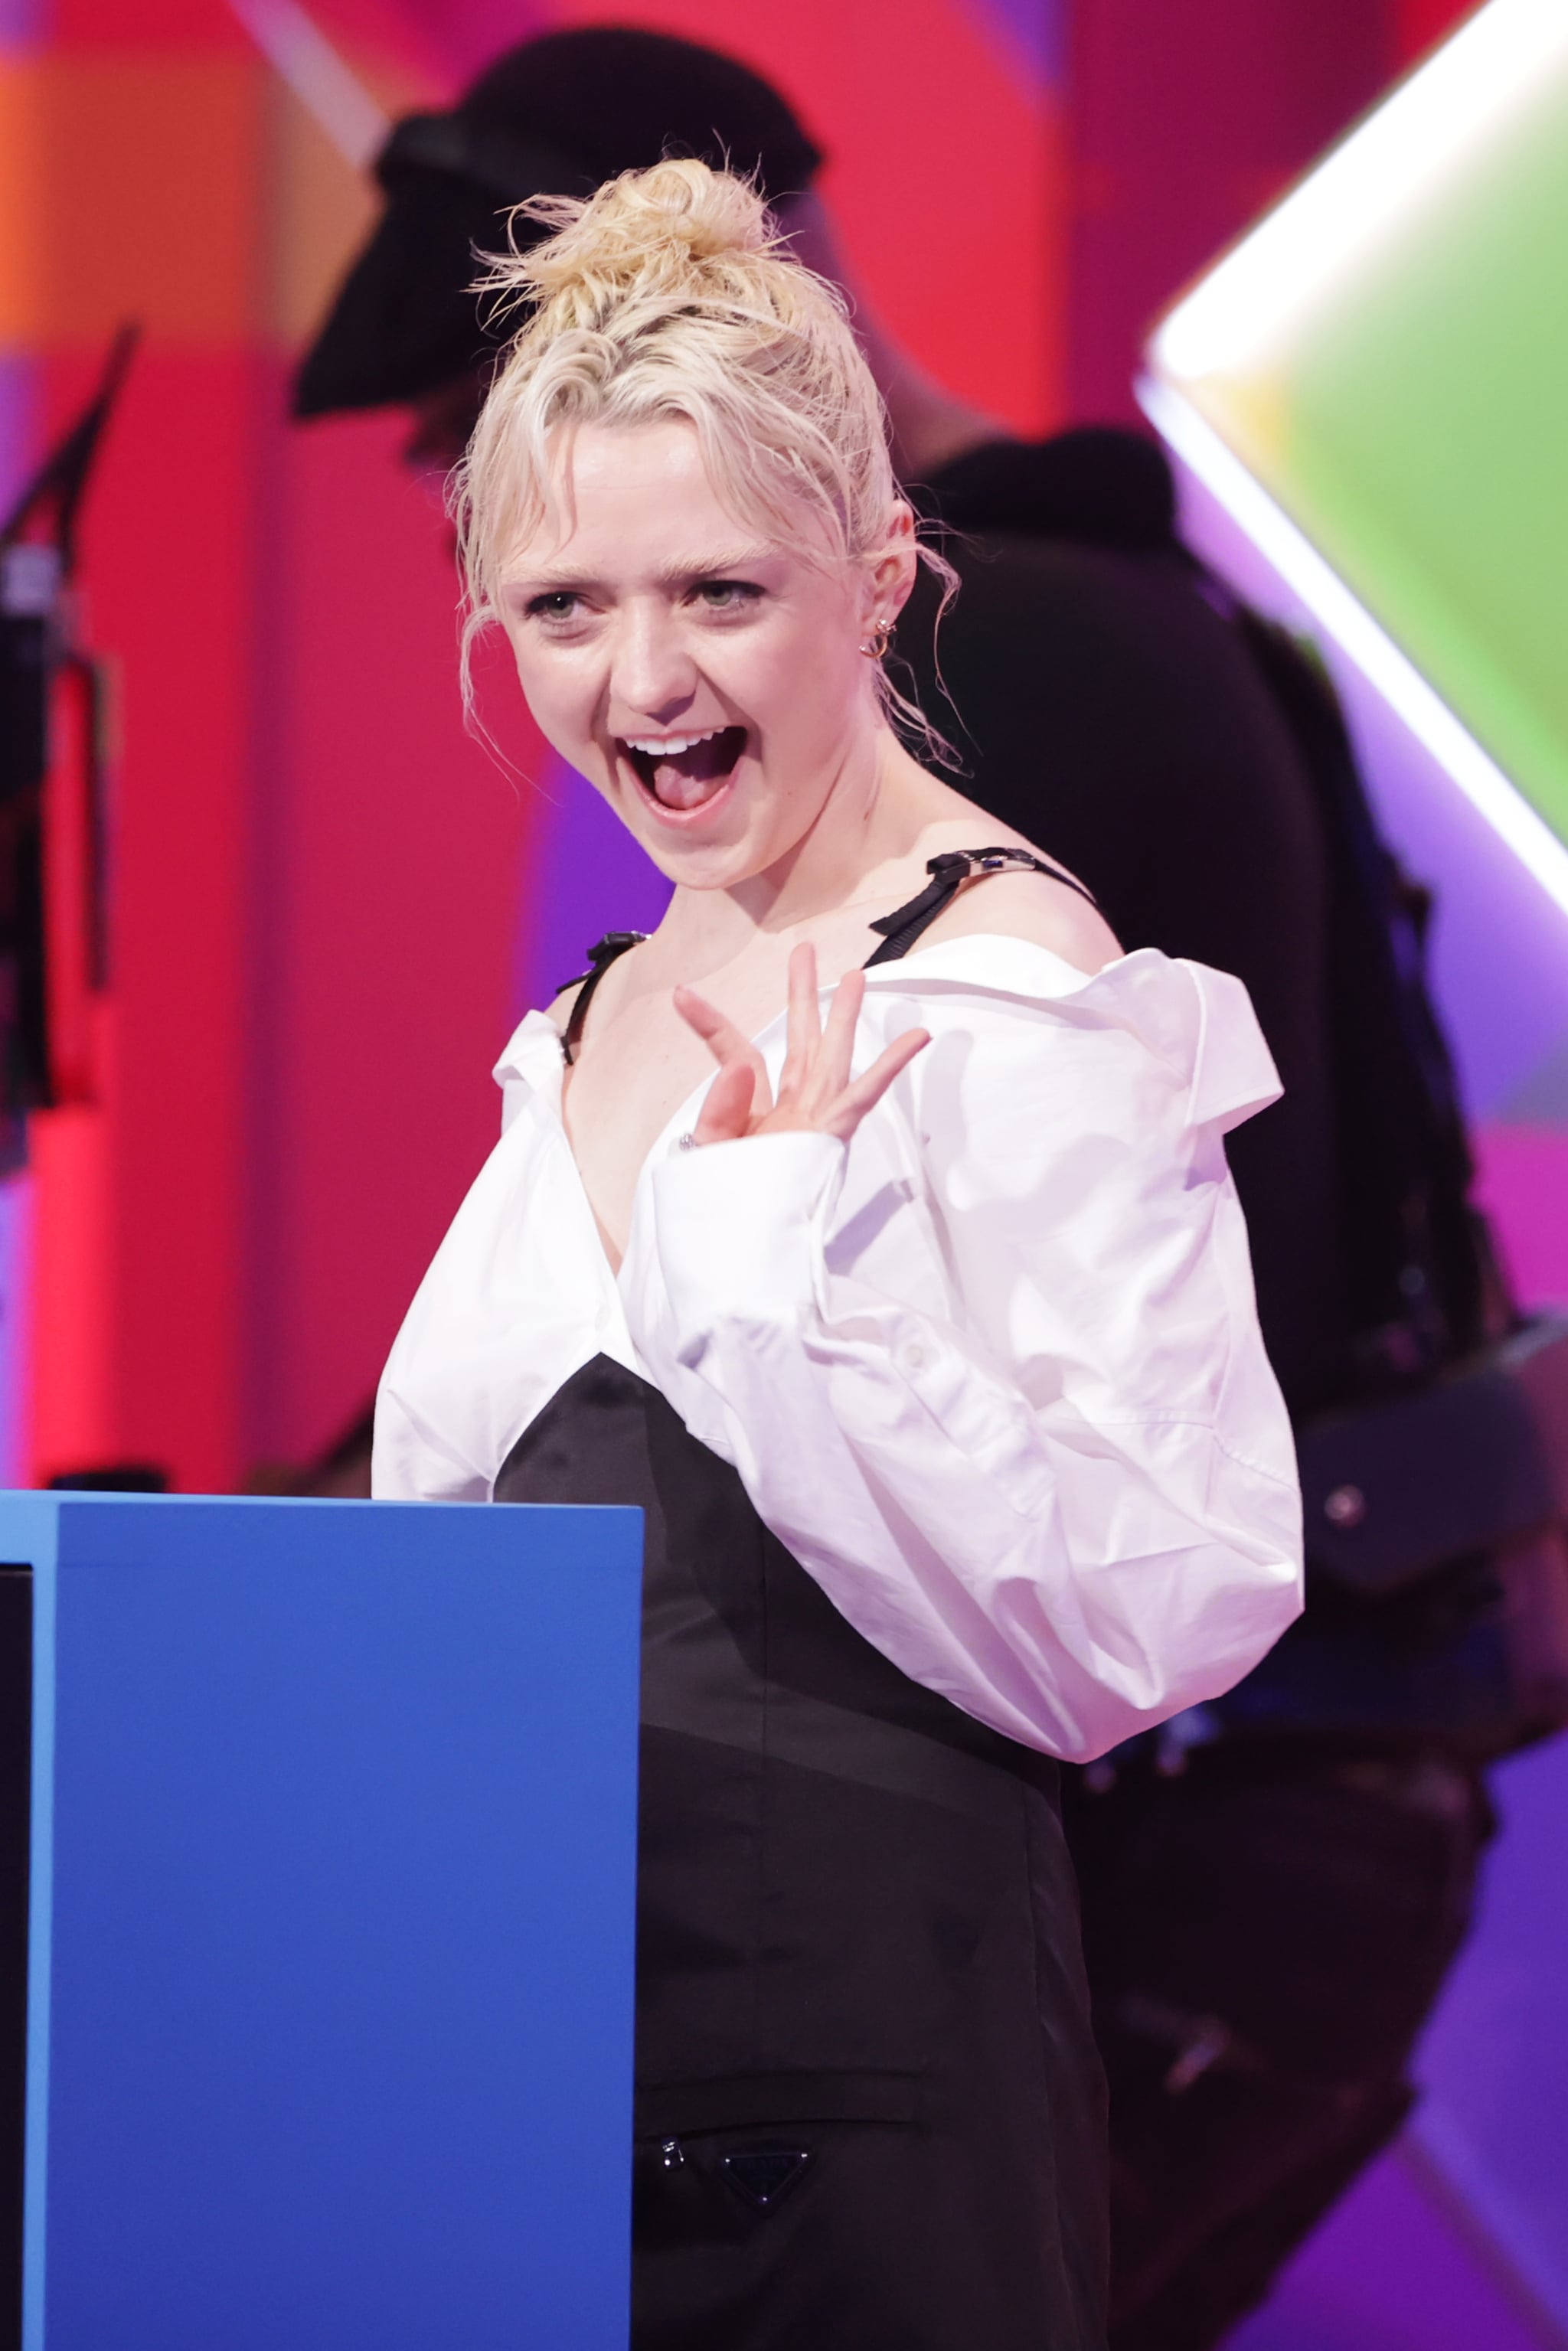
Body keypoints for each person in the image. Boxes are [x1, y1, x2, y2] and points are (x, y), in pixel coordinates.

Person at [296, 35, 1511, 2346]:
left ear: (875, 580)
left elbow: (1158, 1592)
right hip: (540, 2093)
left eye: (717, 593)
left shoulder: (1007, 963)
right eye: (559, 608)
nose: (640, 678)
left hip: (864, 2117)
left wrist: (774, 1299)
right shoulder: (597, 1010)